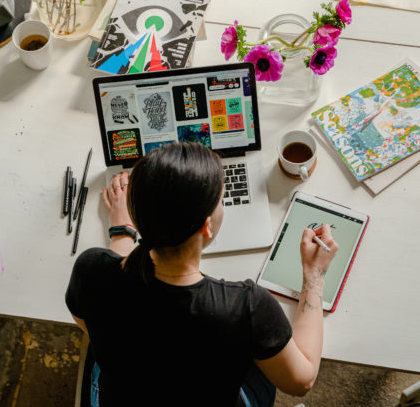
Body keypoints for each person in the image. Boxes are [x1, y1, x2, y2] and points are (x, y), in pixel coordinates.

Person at [66, 142, 338, 407]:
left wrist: (121, 231)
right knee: (257, 355)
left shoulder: (91, 269)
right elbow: (300, 382)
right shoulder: (246, 307)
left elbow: (87, 319)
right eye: (221, 200)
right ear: (207, 227)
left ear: (138, 218)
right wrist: (314, 275)